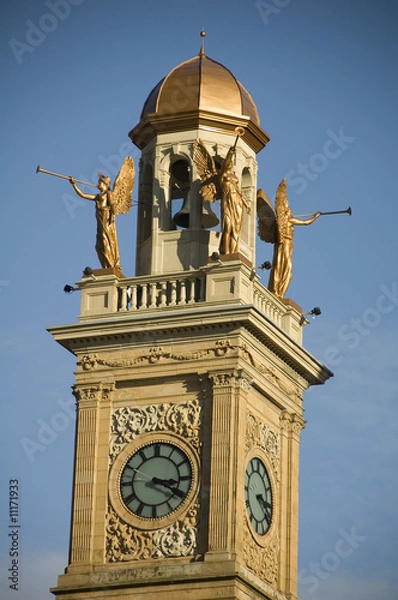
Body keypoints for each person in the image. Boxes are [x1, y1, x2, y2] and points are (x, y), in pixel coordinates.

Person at [69, 172, 121, 272]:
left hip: (106, 218)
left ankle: (110, 265)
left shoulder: (108, 194)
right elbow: (83, 195)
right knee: (98, 245)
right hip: (100, 219)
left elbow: (113, 206)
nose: (98, 185)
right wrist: (73, 184)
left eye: (100, 183)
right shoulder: (98, 196)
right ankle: (106, 266)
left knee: (106, 240)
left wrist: (112, 217)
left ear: (105, 184)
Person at [219, 147, 250, 254]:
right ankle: (226, 252)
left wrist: (247, 205)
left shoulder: (234, 176)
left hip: (237, 202)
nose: (230, 163)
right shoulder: (223, 175)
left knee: (235, 229)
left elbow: (239, 192)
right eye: (229, 162)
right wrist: (230, 153)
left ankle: (232, 253)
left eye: (231, 162)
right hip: (227, 202)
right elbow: (224, 165)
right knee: (227, 226)